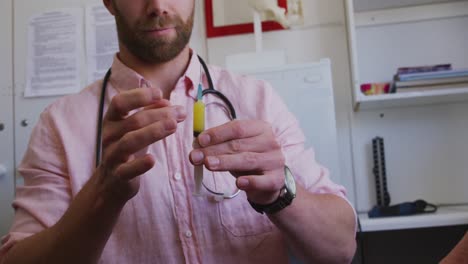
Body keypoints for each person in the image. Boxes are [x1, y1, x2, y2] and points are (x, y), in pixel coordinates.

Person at [0, 0, 356, 263]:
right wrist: (103, 195)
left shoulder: (257, 100)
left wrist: (280, 192)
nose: (157, 6)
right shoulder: (58, 126)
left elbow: (341, 248)